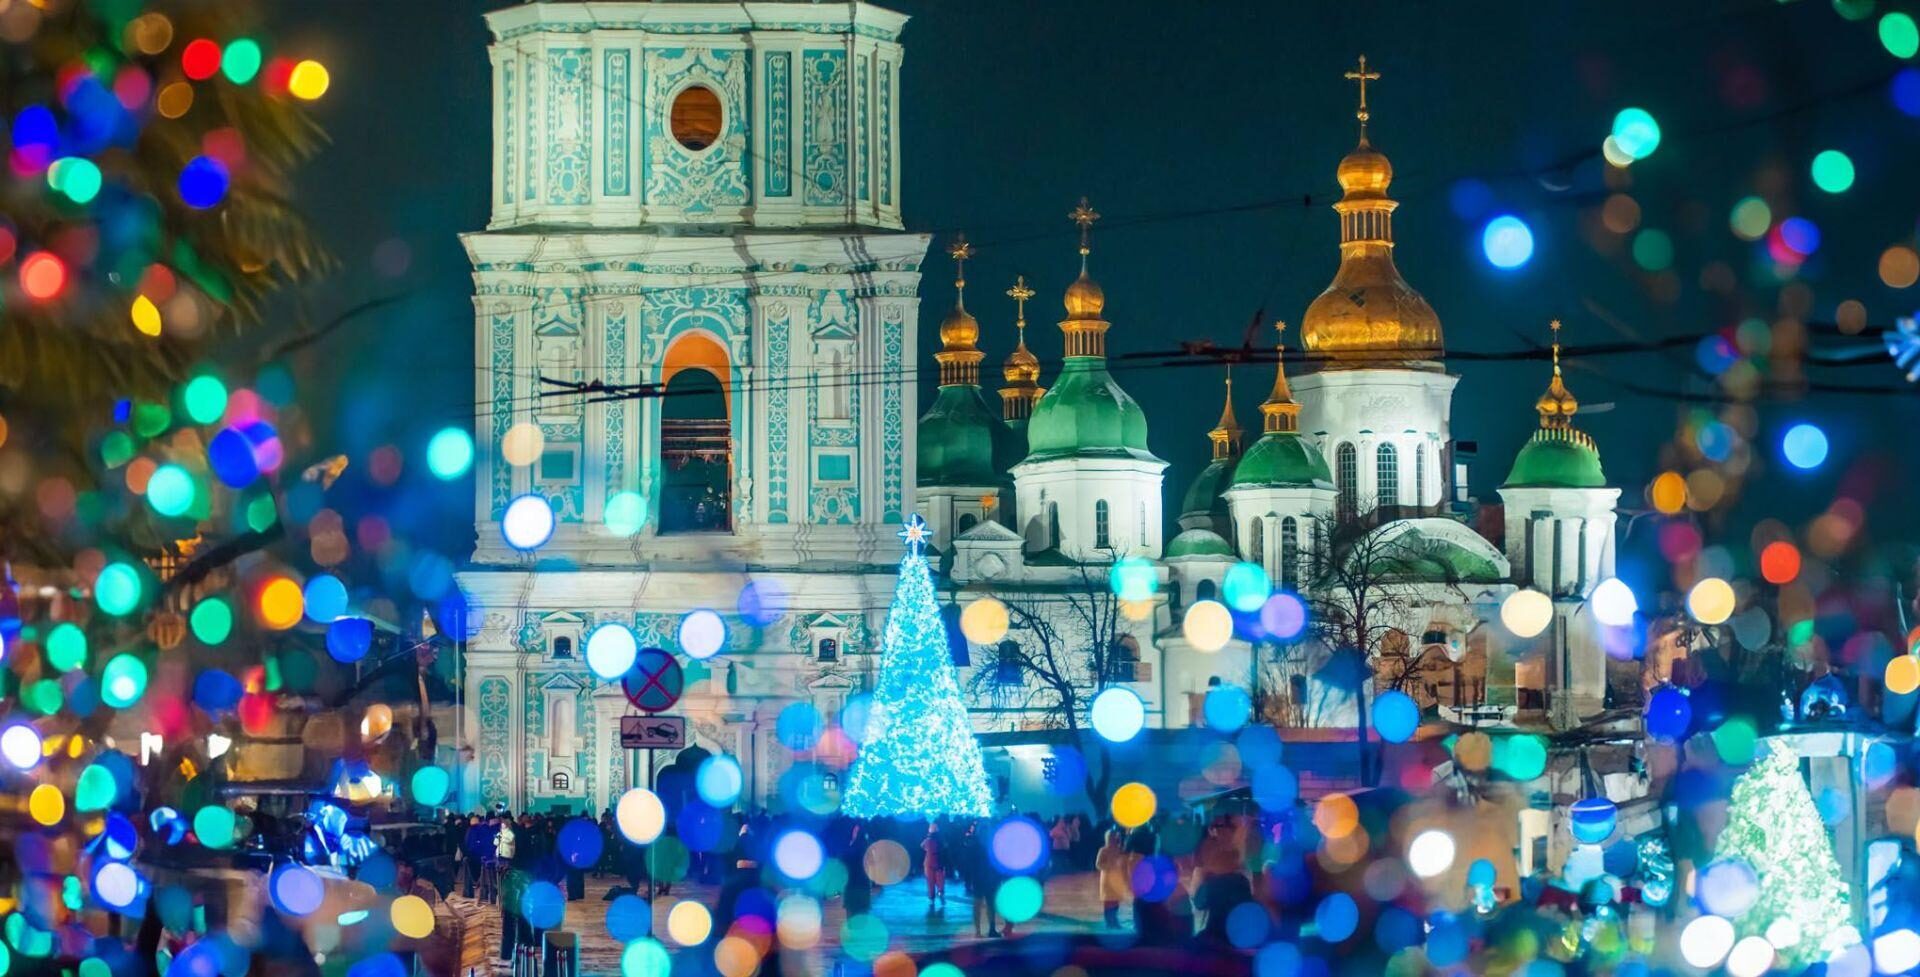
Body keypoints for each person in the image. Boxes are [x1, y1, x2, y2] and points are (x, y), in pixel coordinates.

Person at [1096, 830, 1129, 929]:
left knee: (1115, 901)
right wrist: (1110, 866)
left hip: (1118, 880)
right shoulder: (1103, 850)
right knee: (1108, 901)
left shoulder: (1120, 850)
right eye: (1113, 837)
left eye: (1116, 837)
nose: (1115, 839)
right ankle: (1109, 922)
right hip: (1107, 880)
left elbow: (1124, 864)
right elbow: (1098, 864)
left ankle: (1114, 921)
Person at [921, 823, 946, 909]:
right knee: (940, 881)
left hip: (928, 863)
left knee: (930, 882)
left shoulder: (927, 840)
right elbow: (945, 849)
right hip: (939, 863)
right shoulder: (941, 840)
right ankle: (940, 893)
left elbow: (922, 846)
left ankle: (932, 899)